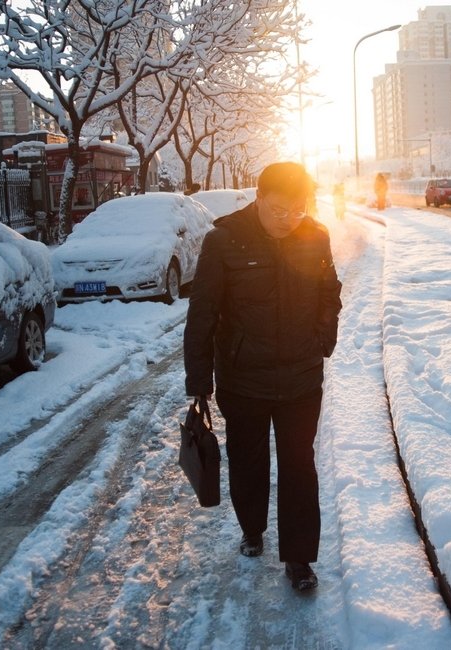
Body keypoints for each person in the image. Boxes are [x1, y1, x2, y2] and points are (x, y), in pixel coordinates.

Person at [184, 162, 342, 592]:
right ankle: (251, 528)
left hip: (301, 378)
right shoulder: (223, 242)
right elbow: (202, 315)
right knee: (248, 461)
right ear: (259, 199)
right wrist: (199, 381)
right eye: (278, 210)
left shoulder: (316, 236)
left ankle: (300, 559)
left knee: (299, 466)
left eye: (297, 210)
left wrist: (322, 337)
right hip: (243, 380)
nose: (289, 220)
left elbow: (329, 290)